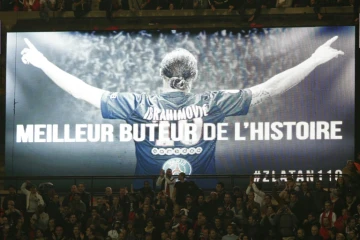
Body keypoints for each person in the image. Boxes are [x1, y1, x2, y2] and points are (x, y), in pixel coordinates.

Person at [20, 37, 344, 182]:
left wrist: (43, 62)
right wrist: (315, 59)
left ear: (161, 75)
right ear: (195, 77)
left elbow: (83, 91)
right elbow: (271, 88)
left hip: (146, 203)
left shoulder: (138, 105)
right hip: (206, 202)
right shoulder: (212, 103)